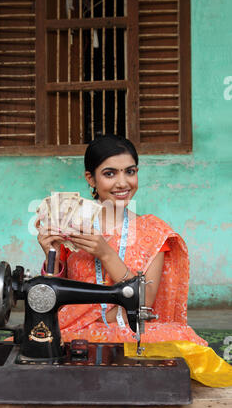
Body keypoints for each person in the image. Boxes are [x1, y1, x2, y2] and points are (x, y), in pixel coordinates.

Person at [37, 134, 207, 346]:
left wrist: (105, 253)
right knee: (34, 340)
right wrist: (51, 256)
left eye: (130, 172)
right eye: (110, 174)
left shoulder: (154, 232)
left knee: (186, 340)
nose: (122, 183)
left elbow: (144, 301)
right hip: (75, 330)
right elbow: (50, 295)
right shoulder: (71, 226)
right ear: (91, 178)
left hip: (130, 330)